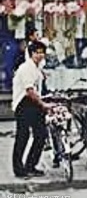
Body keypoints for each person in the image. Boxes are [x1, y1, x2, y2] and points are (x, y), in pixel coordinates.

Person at [12, 41, 50, 179]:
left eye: (42, 52)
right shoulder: (26, 68)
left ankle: (31, 166)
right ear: (31, 53)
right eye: (36, 52)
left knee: (41, 135)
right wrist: (43, 104)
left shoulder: (37, 68)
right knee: (23, 136)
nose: (39, 55)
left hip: (34, 104)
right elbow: (29, 91)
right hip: (24, 104)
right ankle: (18, 169)